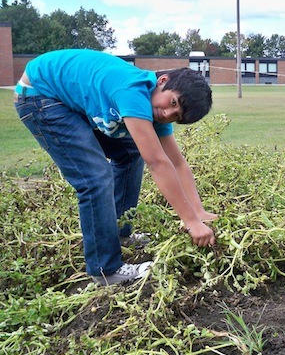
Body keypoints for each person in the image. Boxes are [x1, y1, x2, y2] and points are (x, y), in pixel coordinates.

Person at [14, 49, 218, 286]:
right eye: (172, 103)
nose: (167, 114)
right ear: (162, 81)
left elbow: (177, 163)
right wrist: (191, 222)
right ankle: (106, 269)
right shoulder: (133, 91)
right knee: (95, 178)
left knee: (130, 153)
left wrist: (198, 211)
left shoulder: (154, 107)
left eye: (176, 116)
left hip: (67, 99)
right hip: (41, 95)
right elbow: (157, 162)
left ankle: (120, 232)